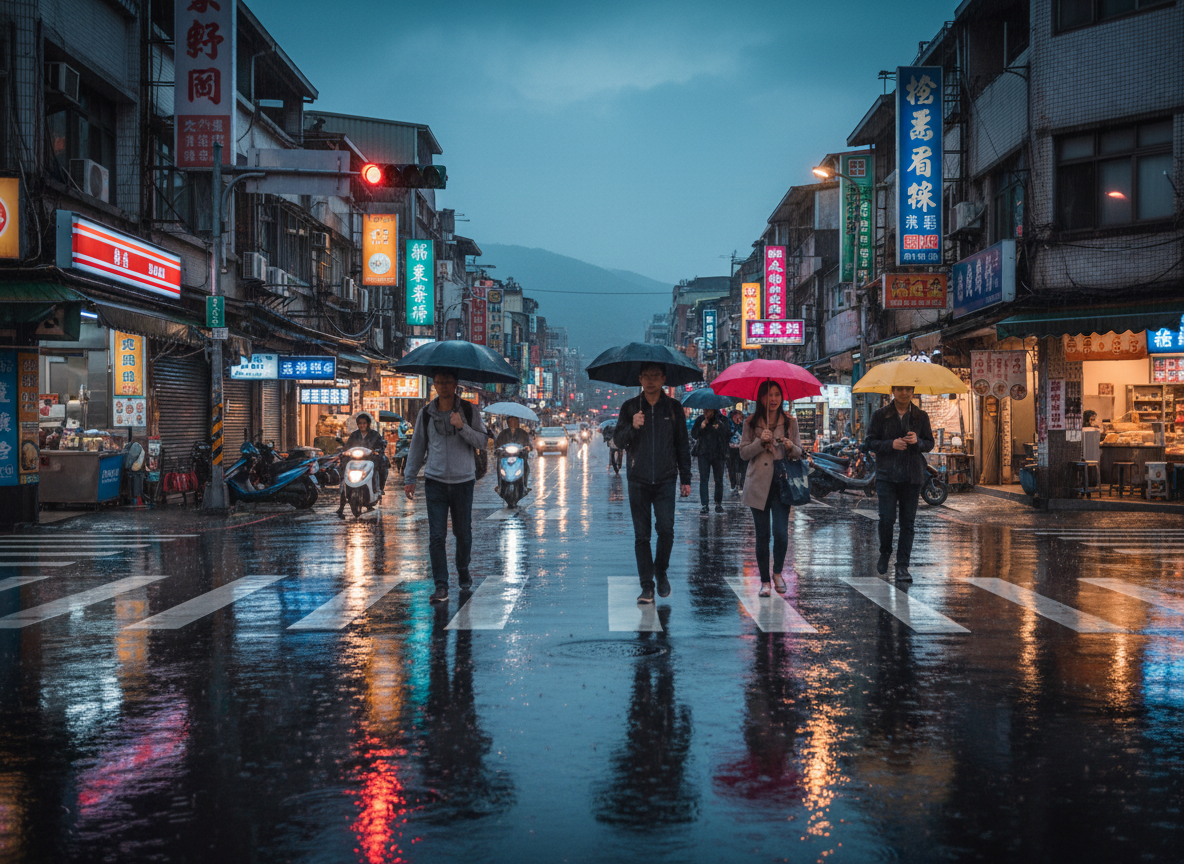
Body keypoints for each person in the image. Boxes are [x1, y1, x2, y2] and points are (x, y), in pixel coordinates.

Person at [404, 368, 488, 603]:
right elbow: (417, 446)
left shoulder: (470, 410)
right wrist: (409, 477)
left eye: (447, 382)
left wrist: (462, 426)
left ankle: (463, 570)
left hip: (463, 482)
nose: (443, 386)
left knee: (463, 534)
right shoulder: (426, 414)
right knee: (436, 536)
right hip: (435, 482)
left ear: (455, 385)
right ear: (434, 385)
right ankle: (441, 584)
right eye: (439, 382)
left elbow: (483, 441)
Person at [613, 363, 692, 604]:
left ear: (664, 379)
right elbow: (617, 440)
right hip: (638, 479)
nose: (650, 381)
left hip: (667, 478)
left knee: (666, 530)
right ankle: (647, 586)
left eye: (655, 376)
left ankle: (661, 570)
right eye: (646, 376)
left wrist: (685, 479)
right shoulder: (630, 408)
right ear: (639, 379)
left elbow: (682, 445)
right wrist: (632, 426)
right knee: (642, 536)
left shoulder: (674, 408)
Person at [864, 384, 934, 581]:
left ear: (913, 392)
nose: (904, 393)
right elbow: (869, 442)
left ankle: (902, 566)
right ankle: (885, 551)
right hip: (887, 475)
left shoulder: (920, 416)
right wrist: (890, 444)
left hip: (912, 476)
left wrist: (917, 441)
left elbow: (929, 443)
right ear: (893, 391)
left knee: (908, 523)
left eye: (908, 389)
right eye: (900, 389)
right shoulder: (881, 415)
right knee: (886, 519)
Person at [739, 382, 803, 597]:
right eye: (768, 395)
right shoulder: (750, 422)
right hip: (758, 484)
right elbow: (743, 453)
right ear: (761, 398)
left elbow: (799, 452)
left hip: (782, 484)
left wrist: (789, 446)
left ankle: (777, 573)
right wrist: (759, 441)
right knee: (762, 535)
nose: (773, 399)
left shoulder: (790, 422)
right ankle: (765, 581)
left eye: (777, 395)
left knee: (781, 533)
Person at [335, 412, 386, 517]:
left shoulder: (375, 434)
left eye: (364, 423)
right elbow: (348, 446)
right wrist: (344, 451)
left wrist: (377, 450)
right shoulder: (354, 435)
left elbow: (381, 445)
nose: (362, 425)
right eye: (360, 423)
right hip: (355, 459)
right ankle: (342, 504)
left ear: (368, 424)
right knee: (343, 467)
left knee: (383, 465)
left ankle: (380, 488)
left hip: (370, 459)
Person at [691, 407, 730, 514]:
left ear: (714, 410)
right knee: (704, 479)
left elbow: (728, 435)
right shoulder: (700, 420)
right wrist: (701, 427)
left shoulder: (722, 420)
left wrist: (720, 428)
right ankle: (704, 504)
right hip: (703, 453)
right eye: (704, 410)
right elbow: (694, 435)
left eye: (708, 410)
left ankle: (718, 503)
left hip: (718, 454)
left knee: (719, 479)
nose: (705, 412)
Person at [494, 415, 532, 489]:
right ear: (508, 423)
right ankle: (500, 484)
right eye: (511, 422)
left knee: (525, 465)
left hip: (519, 456)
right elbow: (498, 445)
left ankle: (524, 484)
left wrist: (528, 448)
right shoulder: (503, 434)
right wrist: (498, 450)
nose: (513, 423)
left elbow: (528, 444)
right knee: (499, 464)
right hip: (506, 456)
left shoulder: (523, 433)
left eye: (515, 421)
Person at [726, 409, 746, 494]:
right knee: (731, 467)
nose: (738, 419)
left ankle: (741, 484)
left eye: (740, 417)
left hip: (741, 449)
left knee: (742, 467)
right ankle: (733, 484)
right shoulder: (728, 425)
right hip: (731, 449)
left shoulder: (744, 426)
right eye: (736, 417)